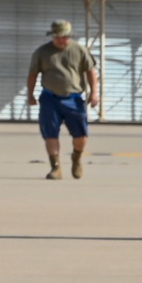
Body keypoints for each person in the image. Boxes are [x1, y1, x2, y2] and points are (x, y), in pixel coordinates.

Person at [26, 20, 99, 180]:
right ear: (52, 36)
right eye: (58, 37)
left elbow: (91, 72)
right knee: (50, 134)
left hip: (74, 99)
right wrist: (30, 95)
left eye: (65, 37)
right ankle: (55, 167)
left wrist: (94, 93)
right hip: (50, 98)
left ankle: (76, 158)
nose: (62, 40)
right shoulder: (42, 52)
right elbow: (33, 74)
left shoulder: (79, 50)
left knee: (81, 136)